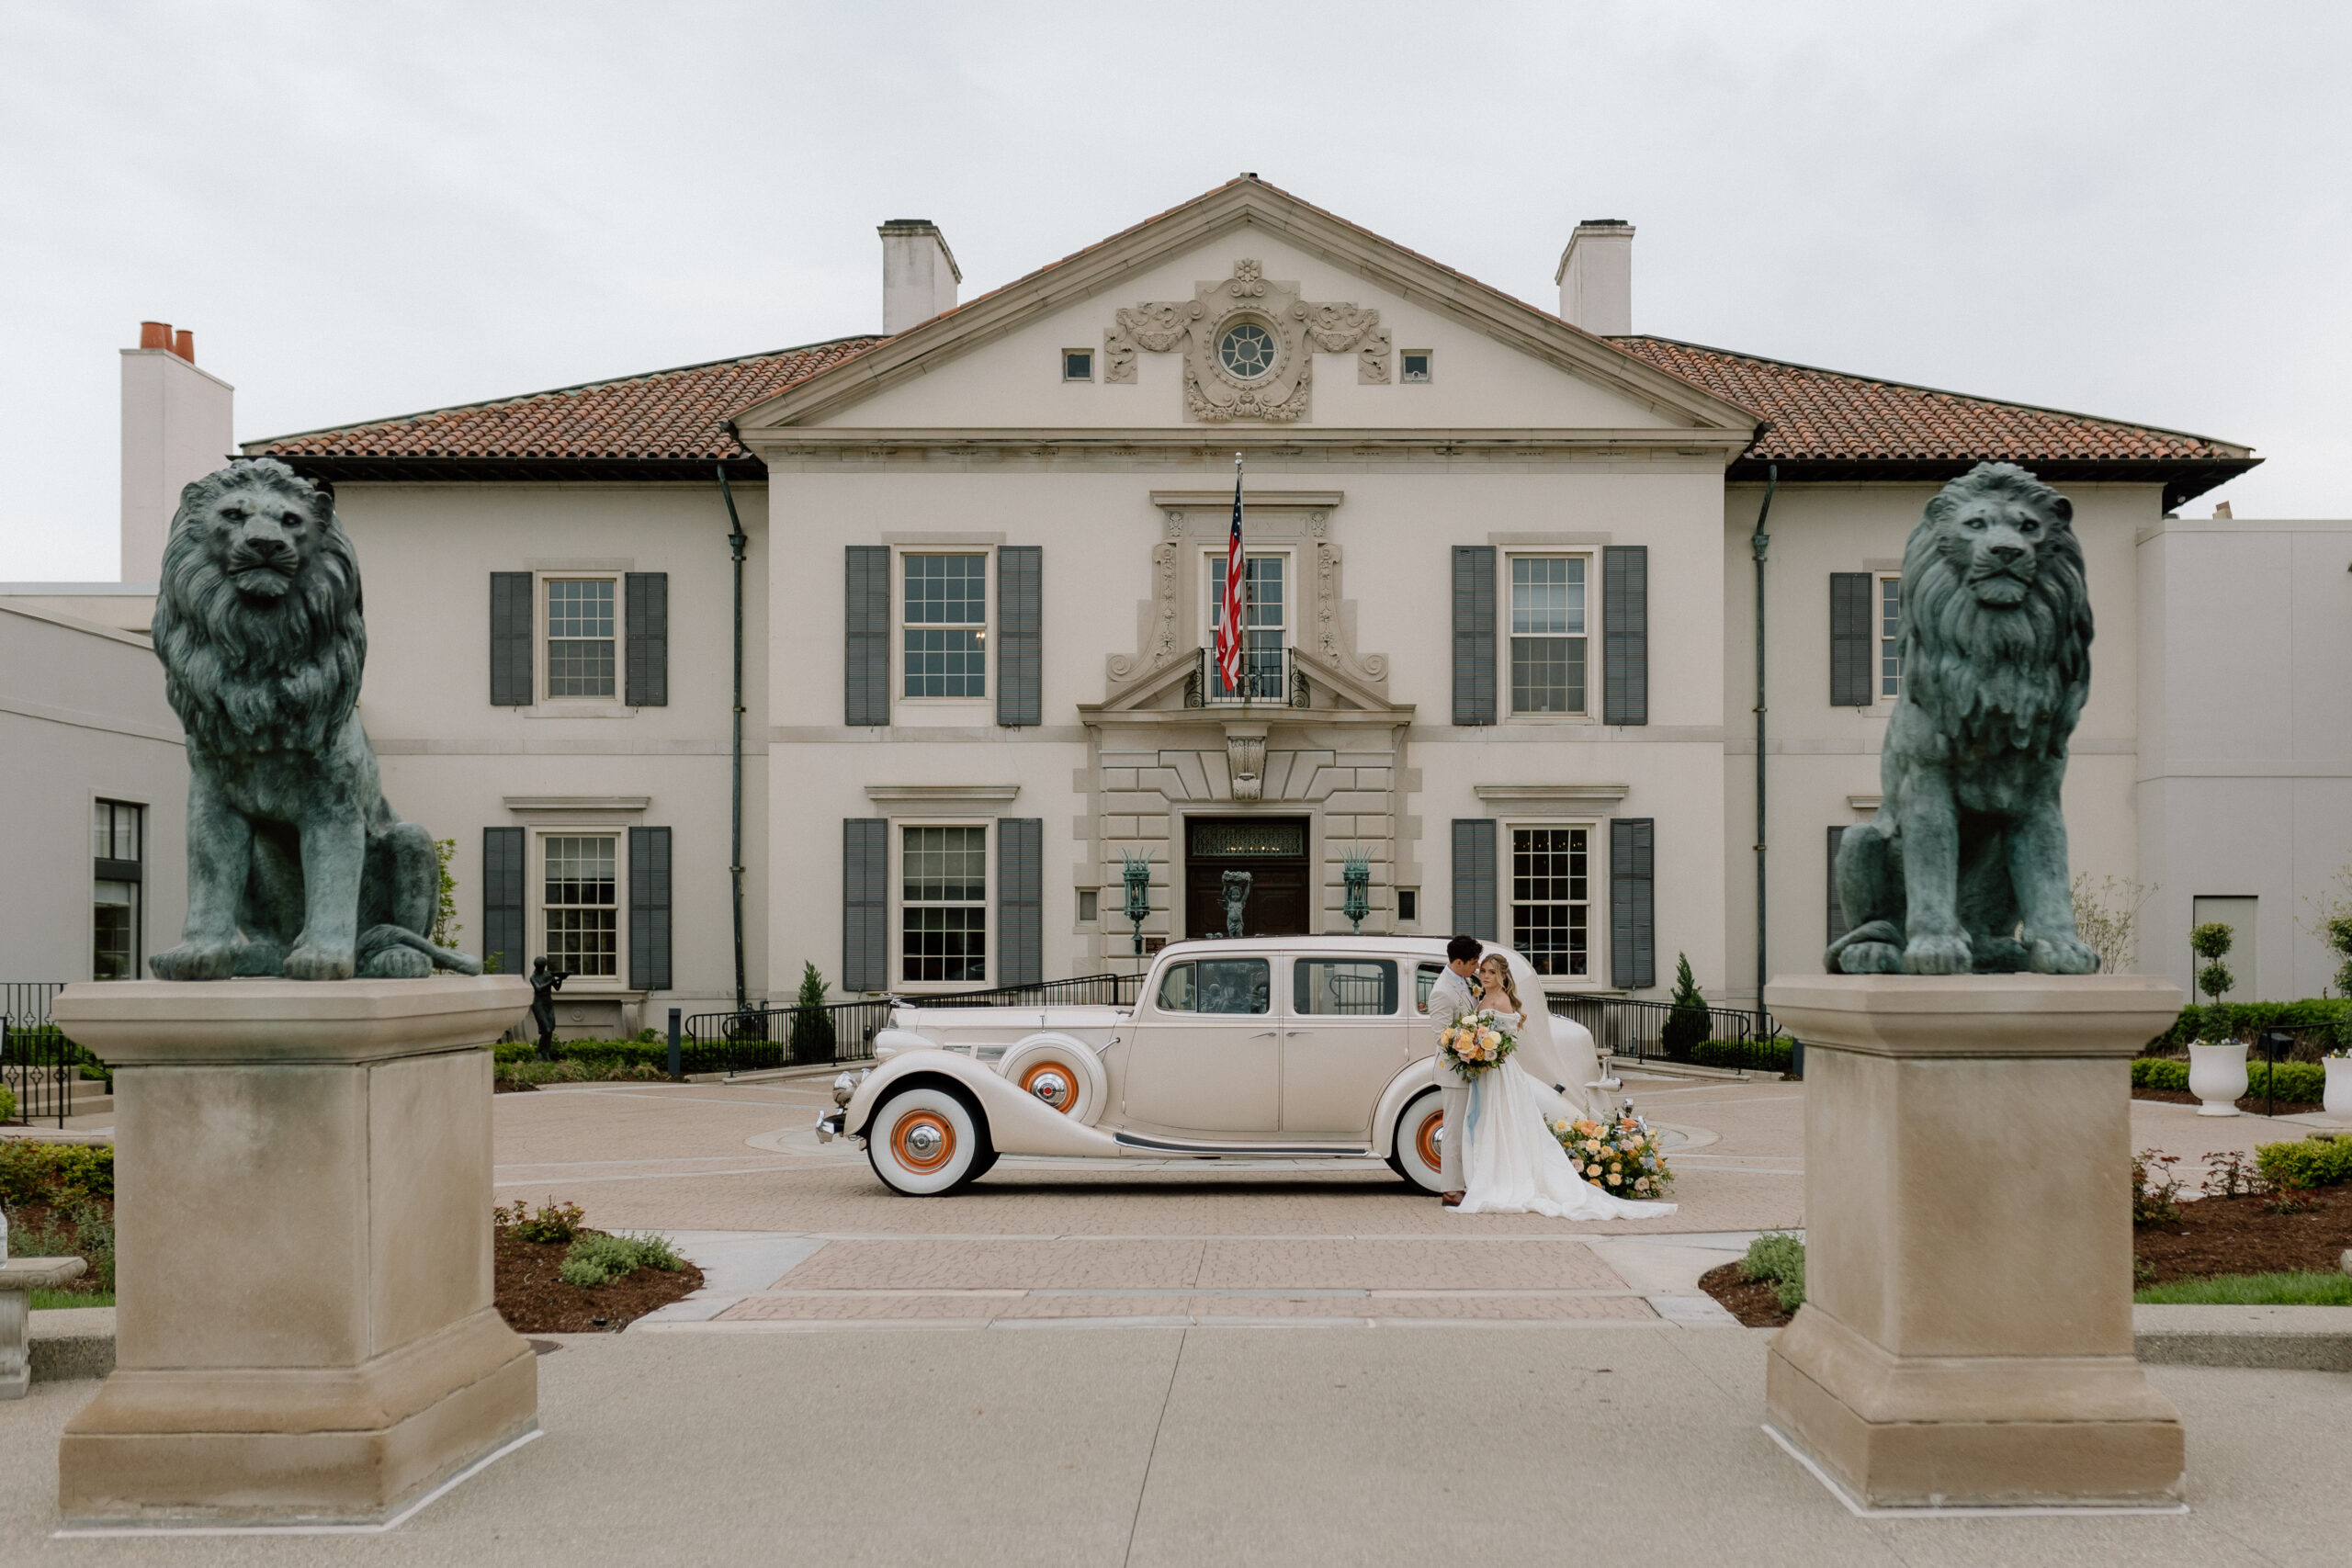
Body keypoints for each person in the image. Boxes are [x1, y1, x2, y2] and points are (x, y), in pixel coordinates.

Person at [1452, 951, 1677, 1220]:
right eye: (1483, 971)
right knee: (1488, 1120)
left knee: (1504, 1120)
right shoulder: (1485, 997)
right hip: (1487, 1070)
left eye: (1491, 972)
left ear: (1501, 976)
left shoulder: (1501, 1000)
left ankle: (1504, 1178)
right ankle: (1486, 1173)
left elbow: (1506, 1038)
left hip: (1499, 1070)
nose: (1485, 976)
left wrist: (1486, 1050)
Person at [1424, 934, 1484, 1208]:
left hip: (1470, 1069)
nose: (1477, 967)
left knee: (1467, 1129)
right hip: (1454, 1070)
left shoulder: (1467, 982)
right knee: (1453, 1130)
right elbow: (1441, 1035)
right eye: (1473, 962)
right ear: (1458, 962)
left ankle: (1466, 1181)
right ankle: (1450, 1189)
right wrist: (1470, 1048)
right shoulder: (1442, 991)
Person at [529, 956, 567, 1059]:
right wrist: (551, 981)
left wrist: (560, 980)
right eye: (539, 967)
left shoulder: (548, 974)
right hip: (538, 1003)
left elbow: (557, 988)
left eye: (543, 967)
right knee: (546, 1028)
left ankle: (545, 1052)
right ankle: (539, 1051)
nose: (541, 969)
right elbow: (539, 988)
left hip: (548, 1003)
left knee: (550, 1030)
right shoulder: (533, 977)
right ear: (536, 967)